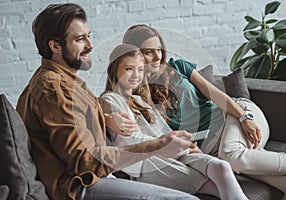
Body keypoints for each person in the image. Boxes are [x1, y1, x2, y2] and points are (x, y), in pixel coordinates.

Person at [15, 4, 205, 200]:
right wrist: (156, 146)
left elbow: (73, 121)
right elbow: (85, 162)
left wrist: (104, 118)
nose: (90, 45)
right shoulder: (54, 89)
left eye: (89, 36)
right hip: (77, 187)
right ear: (55, 46)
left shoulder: (66, 81)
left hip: (97, 177)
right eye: (80, 39)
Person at [103, 24, 286, 198]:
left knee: (234, 157)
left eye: (159, 50)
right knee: (285, 182)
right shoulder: (134, 95)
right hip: (211, 147)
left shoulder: (178, 67)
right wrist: (104, 117)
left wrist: (243, 116)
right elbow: (96, 105)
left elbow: (215, 93)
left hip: (234, 117)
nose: (157, 57)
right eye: (148, 52)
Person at [100, 44, 249, 200]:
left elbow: (163, 132)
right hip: (147, 164)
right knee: (215, 188)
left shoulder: (140, 100)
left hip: (170, 153)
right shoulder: (110, 100)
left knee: (221, 166)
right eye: (129, 69)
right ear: (114, 70)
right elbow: (130, 140)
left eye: (140, 69)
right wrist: (173, 145)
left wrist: (187, 145)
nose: (136, 75)